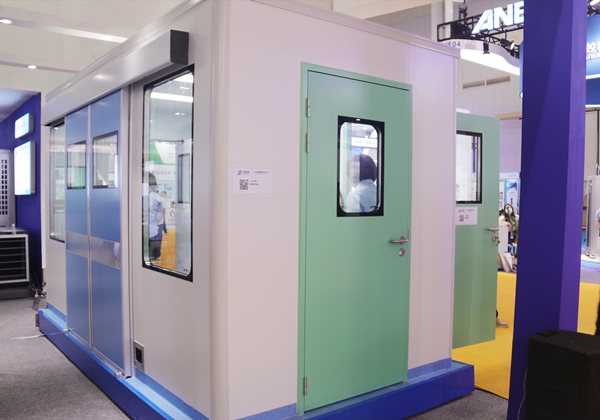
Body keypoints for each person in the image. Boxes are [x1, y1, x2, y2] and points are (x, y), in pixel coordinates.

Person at [147, 173, 163, 262]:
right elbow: (158, 217)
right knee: (150, 259)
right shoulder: (157, 197)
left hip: (136, 232)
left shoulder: (134, 195)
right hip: (152, 232)